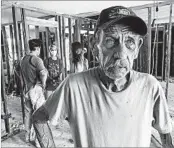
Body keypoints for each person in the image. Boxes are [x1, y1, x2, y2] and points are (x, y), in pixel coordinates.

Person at [32, 6, 173, 148]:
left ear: (137, 48)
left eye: (130, 42)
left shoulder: (150, 86)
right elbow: (39, 118)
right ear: (95, 46)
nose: (121, 54)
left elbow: (165, 131)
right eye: (111, 41)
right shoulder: (74, 86)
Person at [20, 39, 55, 146]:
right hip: (35, 90)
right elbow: (43, 72)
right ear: (38, 48)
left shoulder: (23, 59)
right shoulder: (37, 59)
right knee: (39, 116)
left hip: (26, 90)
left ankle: (27, 137)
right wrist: (43, 84)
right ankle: (38, 141)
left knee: (28, 114)